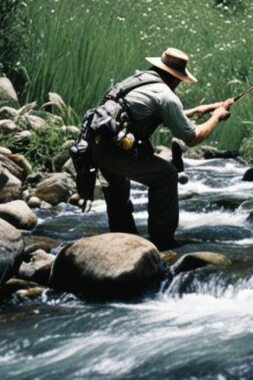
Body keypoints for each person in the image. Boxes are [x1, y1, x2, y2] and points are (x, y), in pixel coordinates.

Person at [82, 47, 232, 249]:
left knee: (118, 196)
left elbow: (155, 112)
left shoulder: (136, 81)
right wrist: (216, 116)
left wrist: (201, 110)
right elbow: (193, 138)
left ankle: (123, 244)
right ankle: (162, 242)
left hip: (97, 148)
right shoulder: (165, 95)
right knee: (167, 175)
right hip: (117, 154)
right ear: (176, 78)